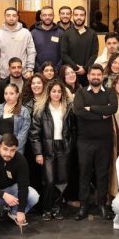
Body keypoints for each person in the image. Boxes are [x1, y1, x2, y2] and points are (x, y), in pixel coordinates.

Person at [72, 64, 118, 220]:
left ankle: (102, 205)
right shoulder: (81, 92)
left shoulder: (110, 92)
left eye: (99, 74)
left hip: (104, 141)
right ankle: (83, 206)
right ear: (88, 76)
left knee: (102, 174)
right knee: (84, 174)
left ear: (103, 76)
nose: (96, 77)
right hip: (84, 141)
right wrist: (101, 114)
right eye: (93, 74)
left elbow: (112, 109)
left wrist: (90, 108)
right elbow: (78, 111)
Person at [31, 80, 74, 220]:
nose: (56, 94)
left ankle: (56, 208)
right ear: (48, 93)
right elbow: (34, 133)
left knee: (62, 180)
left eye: (59, 91)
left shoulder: (68, 108)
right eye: (54, 91)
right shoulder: (41, 109)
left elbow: (73, 129)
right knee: (48, 180)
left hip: (63, 147)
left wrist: (69, 145)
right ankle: (47, 209)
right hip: (47, 148)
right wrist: (38, 153)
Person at [0, 133, 39, 228]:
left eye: (12, 150)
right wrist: (4, 195)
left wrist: (21, 210)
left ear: (16, 149)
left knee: (34, 196)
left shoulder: (21, 160)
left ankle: (14, 213)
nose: (8, 154)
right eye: (5, 149)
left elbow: (23, 186)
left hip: (11, 189)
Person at [0, 7, 36, 80]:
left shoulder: (26, 33)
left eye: (14, 15)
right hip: (4, 75)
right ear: (4, 17)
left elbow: (31, 52)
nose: (11, 18)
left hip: (23, 74)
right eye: (8, 15)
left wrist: (30, 69)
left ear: (17, 17)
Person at [0, 82, 31, 153]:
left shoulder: (24, 111)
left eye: (11, 93)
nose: (8, 96)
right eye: (6, 93)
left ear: (17, 95)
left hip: (16, 149)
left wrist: (12, 149)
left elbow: (23, 133)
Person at [60, 6, 99, 83]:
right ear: (73, 16)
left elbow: (94, 54)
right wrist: (76, 68)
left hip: (87, 74)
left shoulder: (92, 34)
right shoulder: (66, 34)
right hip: (71, 73)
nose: (79, 17)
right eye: (76, 15)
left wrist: (85, 68)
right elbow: (64, 54)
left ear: (85, 16)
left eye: (81, 15)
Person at [31, 5, 64, 71]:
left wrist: (57, 68)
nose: (47, 17)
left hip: (56, 71)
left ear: (53, 16)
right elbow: (30, 53)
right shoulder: (33, 33)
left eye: (50, 15)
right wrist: (39, 69)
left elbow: (64, 53)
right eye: (44, 15)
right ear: (41, 16)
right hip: (38, 71)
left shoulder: (61, 33)